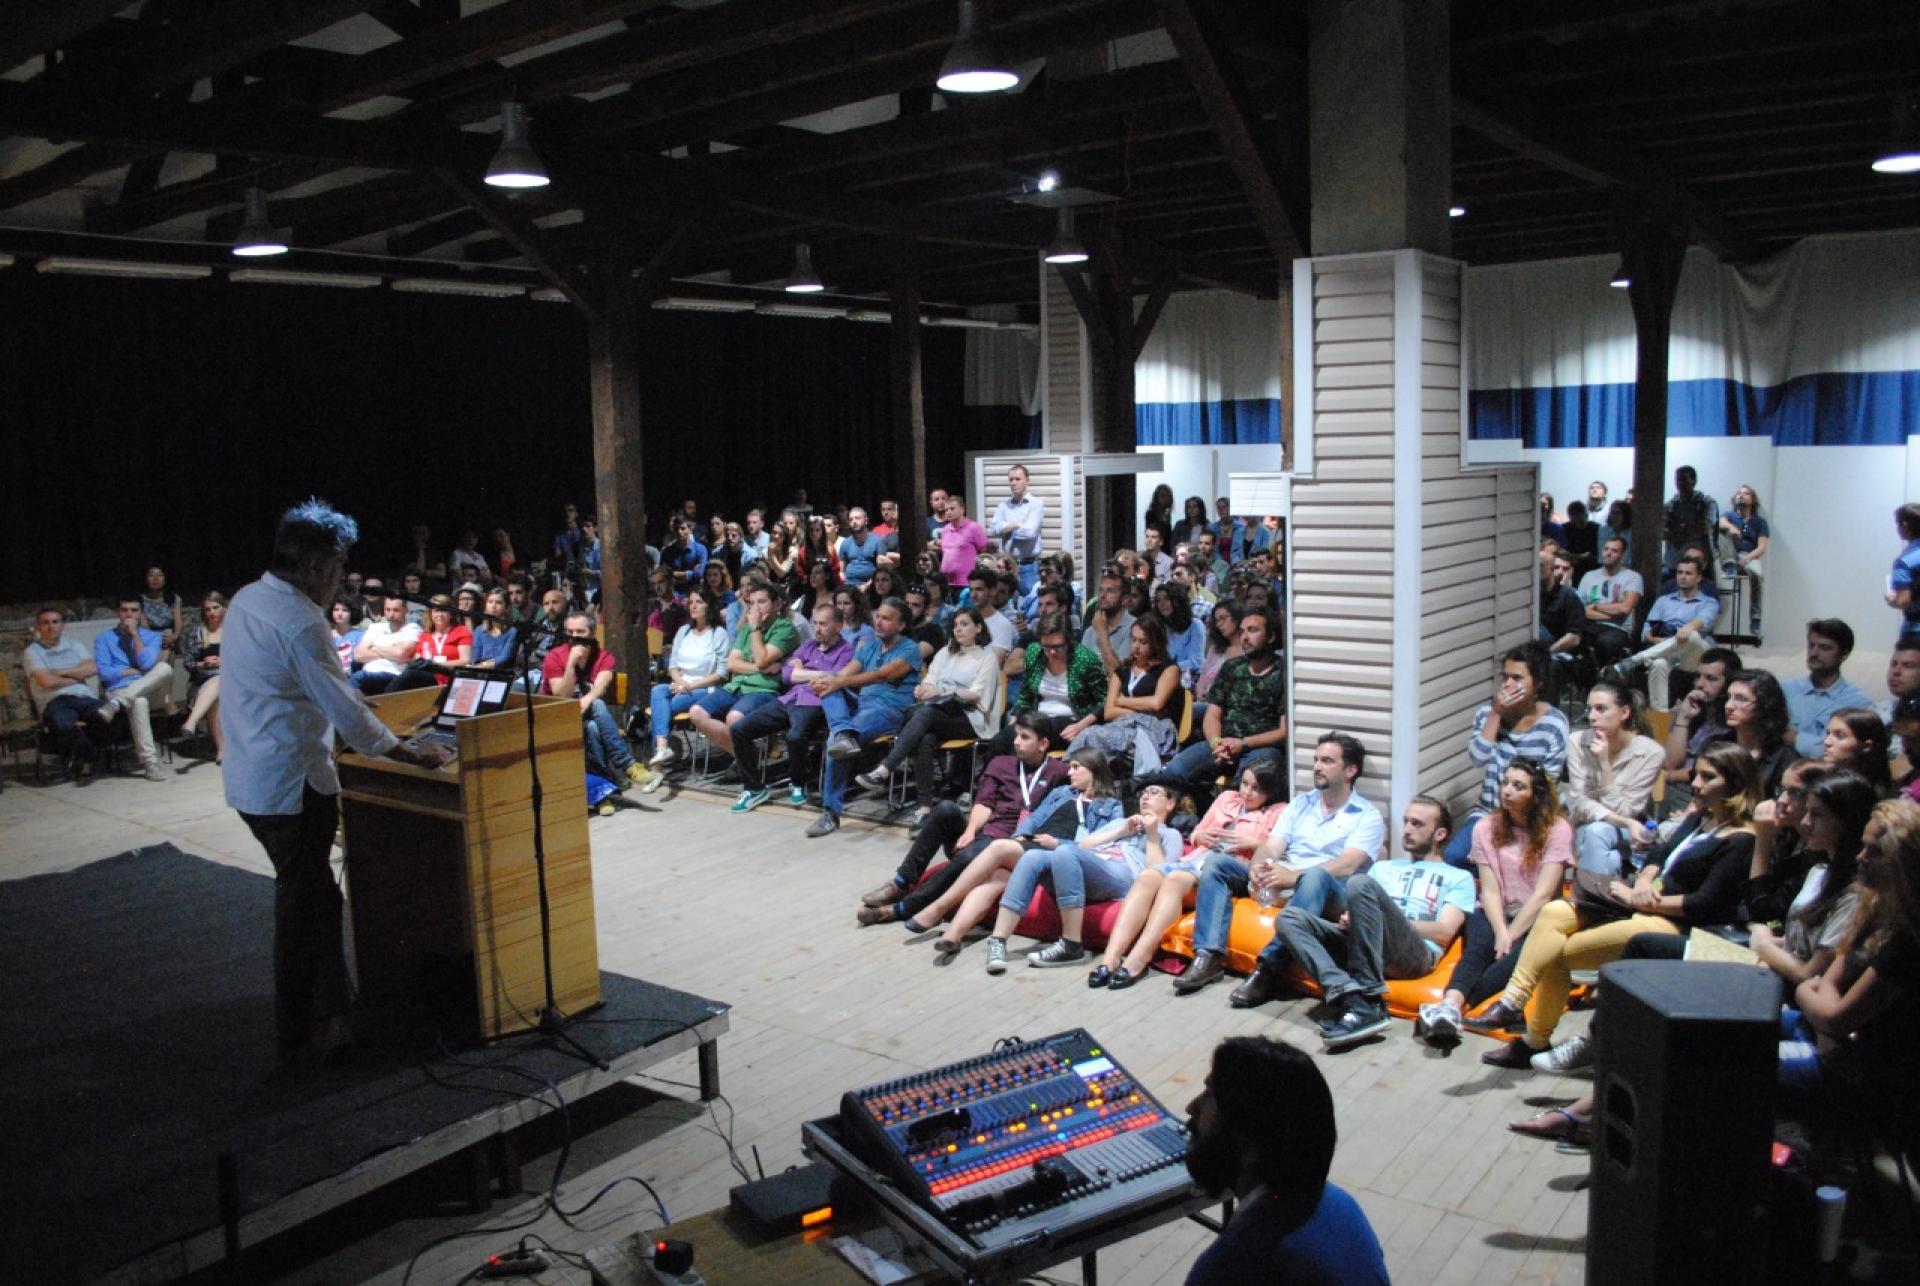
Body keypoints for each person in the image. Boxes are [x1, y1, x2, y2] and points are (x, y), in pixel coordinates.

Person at [221, 499, 448, 1064]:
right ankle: (298, 1035)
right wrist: (407, 753)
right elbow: (344, 712)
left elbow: (320, 693)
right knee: (301, 910)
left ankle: (336, 1016)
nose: (341, 578)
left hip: (251, 778)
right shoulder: (302, 623)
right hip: (290, 785)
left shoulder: (249, 597)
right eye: (339, 565)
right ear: (316, 565)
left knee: (318, 900)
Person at [1478, 743, 1759, 1068]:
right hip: (1641, 902)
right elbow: (1658, 854)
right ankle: (1513, 1003)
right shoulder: (1701, 818)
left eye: (1708, 778)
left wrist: (1648, 901)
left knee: (1556, 952)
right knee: (1554, 911)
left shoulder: (1741, 839)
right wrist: (1642, 883)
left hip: (1676, 924)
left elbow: (1705, 904)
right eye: (1697, 775)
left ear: (1735, 784)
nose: (1696, 784)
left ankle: (1532, 1041)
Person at [1177, 733, 1385, 997]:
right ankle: (1208, 956)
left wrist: (1293, 876)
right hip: (1283, 878)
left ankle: (1269, 969)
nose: (1317, 766)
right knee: (1218, 863)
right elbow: (1273, 844)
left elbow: (1348, 864)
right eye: (1316, 759)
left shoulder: (1367, 815)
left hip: (1327, 890)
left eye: (1327, 761)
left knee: (1315, 877)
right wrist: (1259, 865)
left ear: (1351, 770)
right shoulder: (1302, 803)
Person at [1182, 1036, 1388, 1286]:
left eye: (1210, 1095)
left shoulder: (1234, 1266)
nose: (1191, 1107)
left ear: (1251, 1138)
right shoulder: (1339, 1204)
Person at [1277, 797, 1476, 1048]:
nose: (1407, 830)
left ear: (1440, 833)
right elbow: (1359, 911)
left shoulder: (1458, 877)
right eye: (1406, 822)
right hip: (1364, 944)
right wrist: (1354, 919)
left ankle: (1369, 993)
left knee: (1360, 883)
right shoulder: (1385, 868)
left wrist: (1374, 921)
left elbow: (1445, 931)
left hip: (1413, 954)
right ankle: (1350, 997)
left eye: (1417, 824)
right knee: (1289, 918)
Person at [856, 713, 1068, 927]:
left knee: (981, 849)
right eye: (1016, 735)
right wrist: (970, 830)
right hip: (984, 835)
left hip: (1014, 846)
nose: (1016, 742)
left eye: (1024, 737)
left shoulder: (1059, 773)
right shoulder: (1001, 764)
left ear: (1043, 744)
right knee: (946, 809)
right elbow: (984, 803)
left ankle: (904, 908)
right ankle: (900, 883)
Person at [1779, 799, 1920, 1115]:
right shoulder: (1874, 905)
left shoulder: (1908, 941)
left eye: (1874, 852)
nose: (1860, 858)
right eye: (1862, 847)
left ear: (1902, 864)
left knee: (1738, 1064)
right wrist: (1828, 1029)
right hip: (1831, 1040)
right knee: (1735, 1023)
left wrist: (1807, 996)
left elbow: (1837, 1015)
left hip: (1864, 1066)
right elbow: (1830, 985)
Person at [1091, 762, 1286, 991]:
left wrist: (1252, 843)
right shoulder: (1228, 799)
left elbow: (1278, 849)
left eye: (1256, 788)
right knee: (1148, 875)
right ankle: (1110, 959)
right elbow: (1196, 832)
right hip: (1197, 859)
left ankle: (1138, 959)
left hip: (1232, 869)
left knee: (1175, 880)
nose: (1247, 792)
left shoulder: (1278, 811)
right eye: (1245, 783)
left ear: (1270, 791)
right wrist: (1201, 837)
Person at [1419, 758, 1574, 1046]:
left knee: (1515, 959)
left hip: (1537, 914)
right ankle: (1450, 1006)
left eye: (1518, 786)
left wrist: (1512, 936)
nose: (1507, 791)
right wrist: (1502, 931)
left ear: (1535, 794)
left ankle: (1456, 1008)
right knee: (1479, 948)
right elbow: (1489, 890)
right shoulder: (1486, 827)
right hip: (1496, 910)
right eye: (1506, 783)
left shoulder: (1557, 829)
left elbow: (1543, 893)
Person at [912, 747, 1128, 949]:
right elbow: (1035, 819)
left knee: (998, 848)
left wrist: (1058, 844)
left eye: (1075, 767)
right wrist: (1020, 837)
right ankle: (954, 935)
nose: (1069, 772)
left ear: (1093, 769)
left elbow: (1101, 847)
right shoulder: (1062, 792)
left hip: (1062, 856)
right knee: (996, 878)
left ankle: (939, 906)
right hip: (1032, 846)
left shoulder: (1112, 807)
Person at [979, 781, 1183, 973]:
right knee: (1032, 856)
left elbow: (1158, 873)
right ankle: (998, 940)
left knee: (1065, 853)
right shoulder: (1122, 822)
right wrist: (1120, 832)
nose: (1146, 797)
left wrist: (1152, 834)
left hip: (1123, 878)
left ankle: (1071, 944)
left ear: (1170, 803)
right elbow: (1083, 846)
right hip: (1089, 865)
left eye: (1154, 793)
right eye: (1143, 793)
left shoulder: (1171, 834)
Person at [855, 607, 1003, 823]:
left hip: (972, 718)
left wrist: (943, 692)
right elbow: (930, 680)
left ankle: (885, 768)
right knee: (925, 736)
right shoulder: (945, 653)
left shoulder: (986, 657)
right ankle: (924, 809)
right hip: (939, 712)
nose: (958, 629)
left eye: (965, 624)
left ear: (978, 627)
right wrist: (923, 689)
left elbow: (976, 694)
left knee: (926, 714)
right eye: (955, 625)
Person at [715, 600, 855, 814]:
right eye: (815, 623)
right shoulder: (808, 646)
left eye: (823, 624)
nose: (816, 628)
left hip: (815, 702)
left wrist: (803, 672)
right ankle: (754, 789)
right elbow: (787, 675)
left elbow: (834, 678)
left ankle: (798, 782)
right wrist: (814, 674)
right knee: (739, 729)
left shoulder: (846, 651)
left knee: (795, 736)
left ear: (838, 626)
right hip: (788, 699)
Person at [1443, 642, 1571, 867]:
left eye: (1517, 678)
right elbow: (1478, 758)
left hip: (1532, 815)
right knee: (1455, 856)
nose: (1508, 684)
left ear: (1538, 683)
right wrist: (1496, 713)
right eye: (1505, 677)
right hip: (1489, 810)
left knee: (1523, 864)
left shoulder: (1554, 723)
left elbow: (1549, 781)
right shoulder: (1487, 713)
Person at [1150, 607, 1288, 807]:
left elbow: (1283, 731)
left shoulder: (1282, 672)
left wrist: (1243, 743)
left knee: (1251, 782)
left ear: (1271, 636)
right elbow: (1213, 714)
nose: (1245, 637)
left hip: (1260, 747)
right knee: (1173, 772)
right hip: (1222, 745)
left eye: (1253, 630)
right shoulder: (1232, 668)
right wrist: (1216, 743)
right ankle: (1198, 812)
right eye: (1242, 632)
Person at [810, 598, 922, 837]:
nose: (878, 622)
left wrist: (836, 681)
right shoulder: (869, 645)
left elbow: (882, 675)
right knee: (831, 688)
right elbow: (847, 672)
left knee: (834, 743)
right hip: (862, 705)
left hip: (888, 710)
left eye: (886, 618)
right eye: (878, 616)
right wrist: (829, 681)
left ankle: (830, 812)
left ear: (901, 625)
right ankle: (843, 732)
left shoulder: (910, 648)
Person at [544, 610, 657, 798]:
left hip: (586, 715)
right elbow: (561, 694)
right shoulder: (555, 657)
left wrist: (588, 699)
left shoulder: (603, 657)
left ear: (592, 632)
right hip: (559, 717)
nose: (574, 637)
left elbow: (601, 687)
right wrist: (571, 664)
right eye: (569, 632)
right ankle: (627, 765)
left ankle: (603, 794)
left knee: (594, 728)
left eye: (580, 632)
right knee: (598, 707)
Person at [1562, 678, 1665, 877]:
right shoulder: (1576, 742)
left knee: (1599, 833)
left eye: (1601, 709)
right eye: (1590, 709)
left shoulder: (1650, 753)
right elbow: (1579, 804)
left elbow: (1628, 810)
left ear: (1624, 713)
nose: (1592, 717)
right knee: (1606, 850)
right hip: (1586, 827)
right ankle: (1598, 900)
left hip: (1629, 835)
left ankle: (1589, 899)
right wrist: (1625, 822)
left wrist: (1604, 765)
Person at [686, 583, 801, 749]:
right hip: (736, 686)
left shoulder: (784, 628)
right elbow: (732, 663)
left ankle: (744, 760)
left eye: (761, 602)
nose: (755, 608)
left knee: (734, 718)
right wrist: (760, 668)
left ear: (776, 604)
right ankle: (744, 756)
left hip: (764, 689)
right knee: (696, 712)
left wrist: (755, 628)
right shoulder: (746, 628)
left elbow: (761, 659)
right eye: (752, 603)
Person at [1067, 616, 1182, 773]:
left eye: (1143, 642)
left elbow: (1157, 703)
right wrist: (1143, 708)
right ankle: (1072, 770)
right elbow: (1109, 712)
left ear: (1156, 643)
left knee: (1092, 735)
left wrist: (1121, 701)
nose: (1136, 646)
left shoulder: (1169, 669)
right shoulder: (1122, 671)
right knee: (1090, 736)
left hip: (1155, 729)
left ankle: (1070, 770)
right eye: (1134, 640)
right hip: (1124, 725)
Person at [22, 606, 122, 782]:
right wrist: (76, 675)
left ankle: (82, 756)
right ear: (38, 627)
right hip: (54, 700)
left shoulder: (75, 645)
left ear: (62, 625)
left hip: (83, 697)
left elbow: (93, 668)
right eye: (46, 623)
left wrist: (58, 672)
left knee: (112, 714)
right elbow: (47, 682)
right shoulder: (32, 651)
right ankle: (91, 756)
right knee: (63, 725)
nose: (51, 626)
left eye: (55, 622)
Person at [989, 613, 1104, 758]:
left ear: (1069, 642)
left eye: (1058, 647)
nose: (1051, 652)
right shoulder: (1034, 653)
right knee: (1000, 741)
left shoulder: (1085, 659)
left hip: (1071, 721)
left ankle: (1018, 778)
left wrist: (1081, 726)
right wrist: (1014, 719)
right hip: (1037, 717)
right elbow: (1026, 695)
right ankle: (992, 779)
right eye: (1046, 647)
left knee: (1027, 742)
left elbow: (1103, 702)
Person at [643, 586, 731, 771]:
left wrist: (690, 685)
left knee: (662, 709)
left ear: (709, 606)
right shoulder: (683, 631)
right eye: (691, 602)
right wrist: (681, 682)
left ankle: (657, 765)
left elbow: (721, 673)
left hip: (705, 687)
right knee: (657, 690)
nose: (693, 606)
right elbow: (673, 665)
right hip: (680, 684)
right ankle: (662, 748)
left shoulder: (719, 634)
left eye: (699, 602)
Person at [1621, 553, 1720, 710]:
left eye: (1688, 573)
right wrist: (1663, 642)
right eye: (1679, 573)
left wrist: (1686, 630)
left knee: (1692, 635)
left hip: (1693, 654)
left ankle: (1636, 659)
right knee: (1658, 664)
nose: (1683, 577)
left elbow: (1701, 623)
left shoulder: (1708, 602)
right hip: (1667, 650)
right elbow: (1646, 633)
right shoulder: (1663, 601)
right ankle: (1660, 719)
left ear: (1699, 577)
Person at [94, 594, 176, 781]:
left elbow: (147, 665)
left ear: (140, 614)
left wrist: (135, 635)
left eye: (134, 610)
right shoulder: (103, 639)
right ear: (118, 612)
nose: (129, 614)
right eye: (124, 610)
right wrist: (128, 672)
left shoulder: (152, 637)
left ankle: (117, 703)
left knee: (164, 668)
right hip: (120, 688)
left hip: (150, 689)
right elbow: (105, 673)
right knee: (138, 701)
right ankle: (150, 764)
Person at [1661, 646, 1740, 809]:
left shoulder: (1734, 724)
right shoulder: (1692, 712)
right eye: (1698, 676)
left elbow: (1714, 771)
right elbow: (1670, 763)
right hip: (1671, 784)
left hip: (1700, 793)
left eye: (1710, 678)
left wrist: (1668, 776)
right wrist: (1683, 718)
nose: (1699, 684)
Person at [1783, 619, 1872, 759]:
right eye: (1811, 645)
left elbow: (1841, 752)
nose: (1814, 653)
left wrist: (1794, 737)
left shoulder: (1857, 703)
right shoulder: (1784, 689)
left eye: (1824, 648)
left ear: (1844, 655)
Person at [1575, 536, 1643, 666]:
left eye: (1614, 551)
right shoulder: (1589, 576)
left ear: (1623, 554)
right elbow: (1580, 611)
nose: (1608, 553)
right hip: (1590, 626)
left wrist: (1595, 606)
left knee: (1605, 644)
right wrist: (1613, 613)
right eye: (1606, 549)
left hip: (1618, 629)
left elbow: (1625, 609)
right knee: (1574, 640)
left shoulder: (1633, 577)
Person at [178, 591, 228, 759]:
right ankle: (221, 749)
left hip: (231, 680)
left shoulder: (233, 631)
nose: (212, 612)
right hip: (202, 682)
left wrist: (226, 661)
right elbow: (188, 663)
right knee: (216, 694)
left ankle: (191, 722)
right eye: (208, 609)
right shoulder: (198, 633)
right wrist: (203, 663)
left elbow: (245, 658)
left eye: (216, 607)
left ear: (224, 608)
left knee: (219, 684)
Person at [388, 594, 472, 690]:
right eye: (436, 611)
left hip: (449, 677)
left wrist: (434, 664)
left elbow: (465, 661)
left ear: (451, 613)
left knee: (410, 675)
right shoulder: (425, 636)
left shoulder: (461, 631)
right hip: (428, 680)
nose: (439, 614)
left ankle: (383, 701)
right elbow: (418, 659)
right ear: (431, 613)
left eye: (444, 610)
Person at [351, 594, 422, 694]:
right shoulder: (375, 628)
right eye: (387, 610)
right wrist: (391, 651)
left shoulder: (413, 628)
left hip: (393, 675)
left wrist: (373, 648)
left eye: (396, 610)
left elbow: (400, 653)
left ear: (405, 609)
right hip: (368, 674)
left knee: (356, 678)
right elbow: (358, 655)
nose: (391, 614)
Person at [990, 465, 1045, 593]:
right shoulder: (1003, 506)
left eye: (1018, 479)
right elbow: (994, 530)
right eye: (1011, 479)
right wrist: (1015, 524)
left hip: (1028, 567)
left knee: (1028, 606)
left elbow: (1029, 533)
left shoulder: (1036, 504)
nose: (1013, 483)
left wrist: (1006, 531)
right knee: (1006, 603)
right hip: (1006, 566)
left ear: (1027, 481)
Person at [1823, 707, 1894, 797]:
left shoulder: (1869, 794)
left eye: (1840, 736)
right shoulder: (1824, 779)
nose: (1826, 742)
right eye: (1828, 733)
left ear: (1866, 746)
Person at [1661, 465, 1718, 575]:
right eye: (1678, 480)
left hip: (1699, 561)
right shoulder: (1670, 505)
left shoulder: (1706, 502)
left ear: (1693, 480)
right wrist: (1686, 528)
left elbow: (1705, 527)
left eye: (1683, 479)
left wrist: (1678, 529)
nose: (1680, 483)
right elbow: (1663, 532)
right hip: (1674, 560)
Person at [1154, 582, 1208, 691]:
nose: (1162, 604)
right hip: (1166, 681)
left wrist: (1165, 667)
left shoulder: (1195, 625)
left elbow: (1197, 662)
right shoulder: (1162, 627)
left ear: (1177, 600)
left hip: (1190, 683)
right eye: (1158, 600)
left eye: (1166, 599)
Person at [1081, 569, 1136, 674]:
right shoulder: (1090, 631)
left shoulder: (1134, 628)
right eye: (1101, 590)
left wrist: (1102, 634)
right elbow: (1081, 670)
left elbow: (1117, 673)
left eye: (1110, 591)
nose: (1102, 595)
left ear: (1124, 599)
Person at [1194, 598, 1244, 704]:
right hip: (1205, 701)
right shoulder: (1216, 649)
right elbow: (1202, 677)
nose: (1219, 624)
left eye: (1223, 618)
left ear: (1237, 617)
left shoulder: (1247, 650)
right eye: (1216, 620)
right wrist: (1200, 690)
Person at [936, 495, 988, 592]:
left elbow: (984, 551)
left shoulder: (973, 528)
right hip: (946, 583)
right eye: (946, 510)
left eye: (952, 509)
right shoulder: (945, 529)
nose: (948, 512)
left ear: (962, 510)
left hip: (966, 584)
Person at [139, 565, 183, 658]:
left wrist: (174, 636)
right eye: (151, 575)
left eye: (159, 575)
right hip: (148, 636)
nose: (155, 579)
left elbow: (178, 621)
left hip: (169, 635)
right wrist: (156, 639)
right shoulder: (140, 599)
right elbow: (144, 625)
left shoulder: (174, 598)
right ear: (146, 579)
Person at [469, 588, 518, 671]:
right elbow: (475, 658)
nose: (493, 605)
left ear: (506, 607)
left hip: (503, 674)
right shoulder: (479, 630)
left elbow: (504, 659)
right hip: (480, 672)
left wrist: (479, 666)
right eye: (490, 602)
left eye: (498, 603)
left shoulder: (513, 631)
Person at [838, 507, 887, 588]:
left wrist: (866, 586)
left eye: (857, 518)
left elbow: (881, 571)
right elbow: (841, 571)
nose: (854, 522)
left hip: (871, 586)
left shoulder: (878, 541)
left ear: (866, 520)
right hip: (849, 586)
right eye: (851, 520)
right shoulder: (845, 543)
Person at [660, 514, 709, 592]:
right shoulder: (667, 552)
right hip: (673, 593)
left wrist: (675, 574)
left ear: (690, 529)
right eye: (676, 529)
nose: (679, 532)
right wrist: (690, 574)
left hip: (695, 593)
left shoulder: (700, 549)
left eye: (683, 528)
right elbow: (664, 575)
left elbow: (700, 574)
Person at [328, 596, 362, 672]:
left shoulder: (360, 635)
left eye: (345, 610)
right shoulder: (325, 635)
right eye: (336, 610)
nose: (340, 614)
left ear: (352, 613)